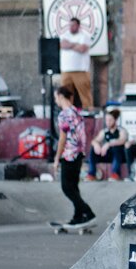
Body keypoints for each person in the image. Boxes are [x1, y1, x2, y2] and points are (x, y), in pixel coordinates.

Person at [52, 86, 95, 227]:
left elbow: (62, 138)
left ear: (60, 96)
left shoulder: (64, 115)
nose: (56, 101)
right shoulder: (77, 112)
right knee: (74, 187)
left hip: (69, 154)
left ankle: (88, 212)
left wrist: (57, 158)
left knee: (67, 187)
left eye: (56, 98)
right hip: (79, 153)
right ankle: (78, 216)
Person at [59, 17, 93, 108]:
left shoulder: (84, 36)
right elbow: (62, 45)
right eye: (70, 25)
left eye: (73, 25)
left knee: (84, 94)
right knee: (65, 94)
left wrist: (69, 45)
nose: (71, 27)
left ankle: (88, 110)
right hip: (66, 70)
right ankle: (67, 111)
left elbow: (82, 49)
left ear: (78, 26)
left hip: (80, 70)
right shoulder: (64, 36)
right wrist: (76, 44)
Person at [86, 109, 127, 181]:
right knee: (93, 149)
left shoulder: (121, 130)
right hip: (107, 155)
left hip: (119, 156)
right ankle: (91, 174)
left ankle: (115, 174)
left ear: (115, 120)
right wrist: (96, 145)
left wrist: (108, 144)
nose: (108, 122)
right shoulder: (104, 131)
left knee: (116, 148)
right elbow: (94, 140)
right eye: (106, 120)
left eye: (110, 120)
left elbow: (122, 141)